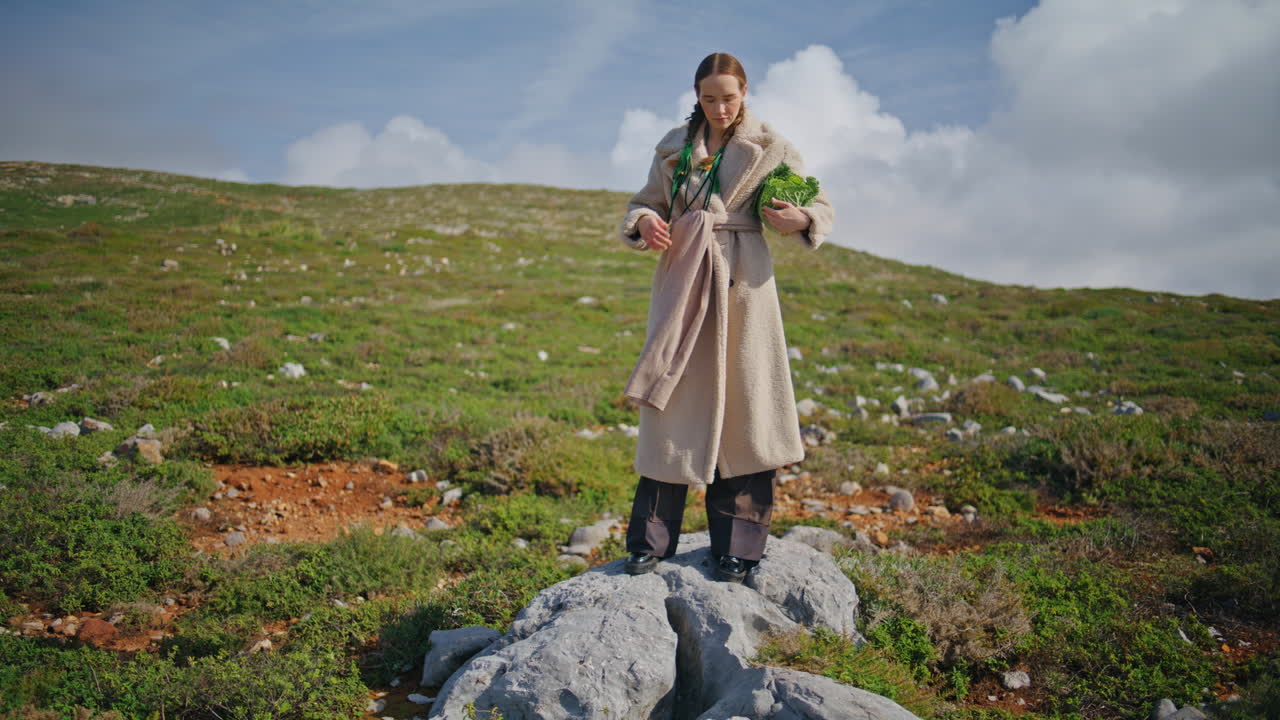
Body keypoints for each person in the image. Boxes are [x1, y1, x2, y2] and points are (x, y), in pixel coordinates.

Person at [616, 52, 835, 583]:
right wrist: (646, 222)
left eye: (728, 98)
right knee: (671, 408)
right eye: (709, 98)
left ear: (745, 93)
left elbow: (820, 207)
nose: (718, 107)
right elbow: (643, 204)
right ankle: (650, 541)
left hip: (744, 288)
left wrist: (799, 217)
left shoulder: (774, 148)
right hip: (683, 283)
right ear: (696, 94)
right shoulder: (673, 147)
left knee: (746, 412)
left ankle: (739, 548)